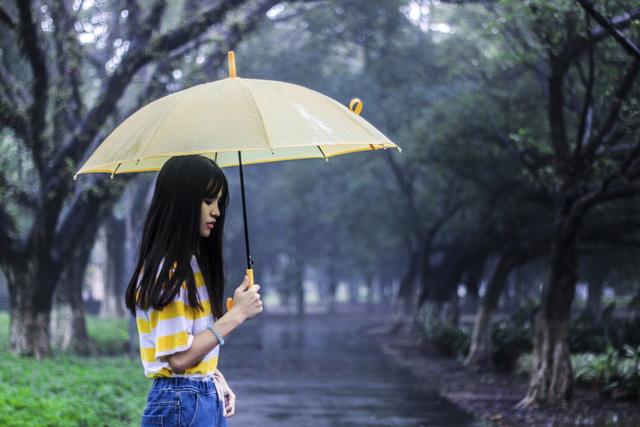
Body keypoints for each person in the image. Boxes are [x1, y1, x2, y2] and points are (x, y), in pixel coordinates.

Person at [124, 154, 263, 426]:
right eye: (208, 201)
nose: (216, 212)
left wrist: (214, 377)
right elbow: (177, 359)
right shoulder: (169, 271)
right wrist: (236, 316)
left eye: (219, 202)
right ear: (181, 204)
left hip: (198, 397)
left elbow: (189, 345)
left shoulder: (188, 264)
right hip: (182, 402)